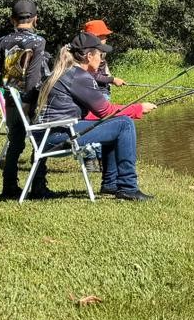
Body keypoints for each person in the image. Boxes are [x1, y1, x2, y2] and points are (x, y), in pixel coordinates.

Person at [39, 32, 156, 201]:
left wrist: (132, 109)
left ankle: (110, 183)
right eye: (100, 55)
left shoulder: (67, 72)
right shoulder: (79, 76)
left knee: (115, 122)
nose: (101, 59)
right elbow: (106, 111)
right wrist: (138, 108)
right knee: (124, 124)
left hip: (46, 136)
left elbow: (99, 113)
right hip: (56, 137)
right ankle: (128, 187)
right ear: (89, 56)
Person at [0, 0, 51, 200]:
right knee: (39, 140)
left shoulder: (3, 41)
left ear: (12, 19)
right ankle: (38, 186)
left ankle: (9, 186)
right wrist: (30, 102)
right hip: (32, 98)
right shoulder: (38, 42)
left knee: (15, 142)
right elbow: (33, 74)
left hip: (11, 97)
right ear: (35, 19)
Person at [82, 19, 126, 97]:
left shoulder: (99, 51)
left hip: (101, 91)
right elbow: (91, 74)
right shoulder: (88, 54)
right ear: (96, 37)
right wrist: (113, 80)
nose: (106, 38)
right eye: (104, 35)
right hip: (97, 93)